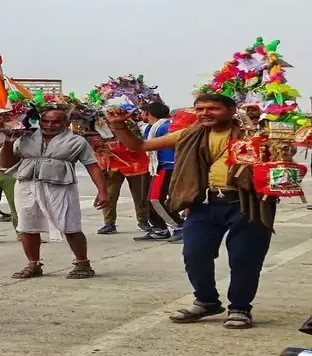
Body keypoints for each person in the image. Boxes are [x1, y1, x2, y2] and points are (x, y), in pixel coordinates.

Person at [106, 94, 275, 329]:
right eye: (200, 109)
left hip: (247, 204)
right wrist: (118, 125)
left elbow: (279, 164)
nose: (205, 113)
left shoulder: (254, 136)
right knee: (195, 254)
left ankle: (239, 308)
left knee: (245, 259)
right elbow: (140, 146)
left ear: (230, 109)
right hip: (203, 204)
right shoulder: (189, 134)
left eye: (213, 108)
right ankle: (206, 301)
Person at [0, 108, 108, 279]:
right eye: (45, 121)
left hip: (61, 187)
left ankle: (83, 264)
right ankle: (33, 265)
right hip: (27, 186)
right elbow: (6, 163)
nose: (50, 125)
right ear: (40, 121)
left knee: (70, 226)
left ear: (66, 123)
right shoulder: (24, 137)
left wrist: (102, 191)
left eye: (56, 122)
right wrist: (7, 141)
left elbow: (92, 166)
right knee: (27, 226)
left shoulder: (76, 141)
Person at [134, 102, 184, 243]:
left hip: (167, 166)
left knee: (156, 199)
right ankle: (159, 229)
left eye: (142, 112)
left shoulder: (166, 126)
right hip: (153, 167)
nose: (140, 114)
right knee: (147, 199)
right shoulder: (150, 127)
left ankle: (180, 226)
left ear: (147, 113)